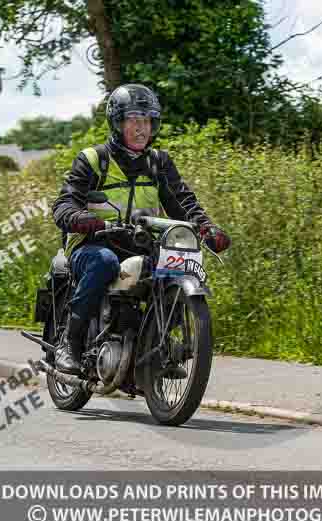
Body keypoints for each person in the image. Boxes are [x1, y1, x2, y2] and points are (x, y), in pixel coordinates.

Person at [51, 83, 231, 375]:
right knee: (104, 262)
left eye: (147, 121)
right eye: (134, 120)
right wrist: (80, 217)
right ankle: (69, 344)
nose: (141, 128)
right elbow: (64, 203)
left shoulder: (158, 162)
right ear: (117, 122)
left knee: (175, 266)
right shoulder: (94, 160)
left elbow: (183, 203)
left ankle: (153, 347)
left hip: (140, 244)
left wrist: (207, 229)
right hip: (93, 244)